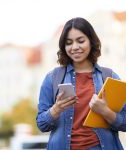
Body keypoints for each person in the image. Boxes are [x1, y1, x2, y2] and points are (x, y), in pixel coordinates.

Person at [36, 17, 126, 150]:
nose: (74, 47)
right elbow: (42, 125)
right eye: (69, 42)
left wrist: (106, 112)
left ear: (91, 41)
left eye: (81, 41)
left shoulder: (109, 77)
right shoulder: (52, 78)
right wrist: (56, 109)